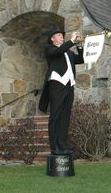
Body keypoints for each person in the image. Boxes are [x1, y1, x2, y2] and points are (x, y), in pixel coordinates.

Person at [38, 26, 84, 155]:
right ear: (52, 39)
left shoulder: (68, 52)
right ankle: (54, 147)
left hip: (69, 86)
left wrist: (79, 46)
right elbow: (58, 52)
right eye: (58, 35)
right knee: (55, 116)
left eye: (62, 35)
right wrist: (72, 41)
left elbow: (81, 59)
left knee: (65, 117)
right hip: (57, 85)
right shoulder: (49, 49)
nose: (61, 36)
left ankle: (62, 146)